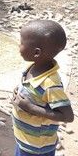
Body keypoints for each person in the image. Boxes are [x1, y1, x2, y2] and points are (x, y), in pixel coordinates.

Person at [12, 20, 74, 156]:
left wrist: (31, 108)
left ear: (36, 53)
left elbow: (68, 116)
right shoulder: (33, 68)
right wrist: (20, 91)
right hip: (24, 139)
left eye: (22, 43)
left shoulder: (51, 84)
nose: (19, 45)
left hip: (37, 148)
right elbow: (32, 91)